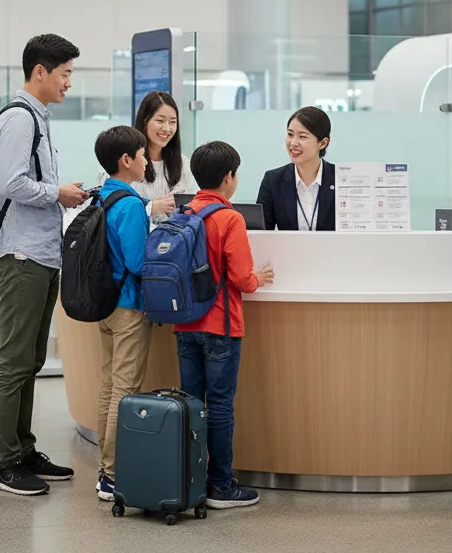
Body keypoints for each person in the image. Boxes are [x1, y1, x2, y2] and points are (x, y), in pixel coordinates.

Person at [0, 33, 89, 496]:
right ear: (40, 72)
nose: (68, 82)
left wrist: (59, 193)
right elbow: (11, 183)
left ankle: (22, 450)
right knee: (14, 361)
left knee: (31, 358)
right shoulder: (19, 119)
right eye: (64, 74)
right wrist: (58, 193)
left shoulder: (39, 120)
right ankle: (4, 463)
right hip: (21, 254)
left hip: (42, 253)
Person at [175, 141, 274, 509]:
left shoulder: (185, 212)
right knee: (219, 406)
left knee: (191, 404)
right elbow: (242, 279)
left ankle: (190, 479)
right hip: (221, 326)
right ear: (229, 177)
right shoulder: (229, 218)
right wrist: (259, 277)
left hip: (185, 325)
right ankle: (221, 485)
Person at [88, 126, 152, 502]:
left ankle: (104, 466)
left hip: (105, 304)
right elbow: (137, 262)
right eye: (142, 155)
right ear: (126, 160)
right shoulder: (130, 205)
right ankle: (112, 475)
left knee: (109, 385)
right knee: (124, 389)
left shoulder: (101, 197)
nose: (146, 161)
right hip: (129, 306)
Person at [96, 91, 194, 223]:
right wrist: (150, 208)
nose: (167, 128)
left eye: (172, 122)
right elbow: (109, 207)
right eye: (160, 121)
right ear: (144, 121)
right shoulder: (126, 161)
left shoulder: (182, 164)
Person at [256, 106, 336, 231]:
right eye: (290, 134)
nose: (293, 143)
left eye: (302, 137)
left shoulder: (340, 179)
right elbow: (261, 232)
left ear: (323, 143)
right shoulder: (273, 180)